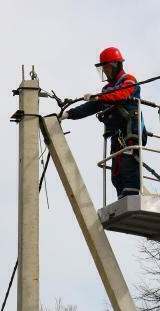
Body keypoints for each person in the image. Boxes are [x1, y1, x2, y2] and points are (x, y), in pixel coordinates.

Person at [60, 46, 144, 199]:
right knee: (116, 174)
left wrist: (99, 97)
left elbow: (121, 95)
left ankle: (132, 199)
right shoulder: (107, 89)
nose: (105, 71)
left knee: (128, 167)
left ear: (116, 65)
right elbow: (92, 106)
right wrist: (68, 114)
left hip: (131, 132)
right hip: (117, 136)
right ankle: (123, 201)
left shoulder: (128, 80)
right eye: (103, 68)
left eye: (107, 67)